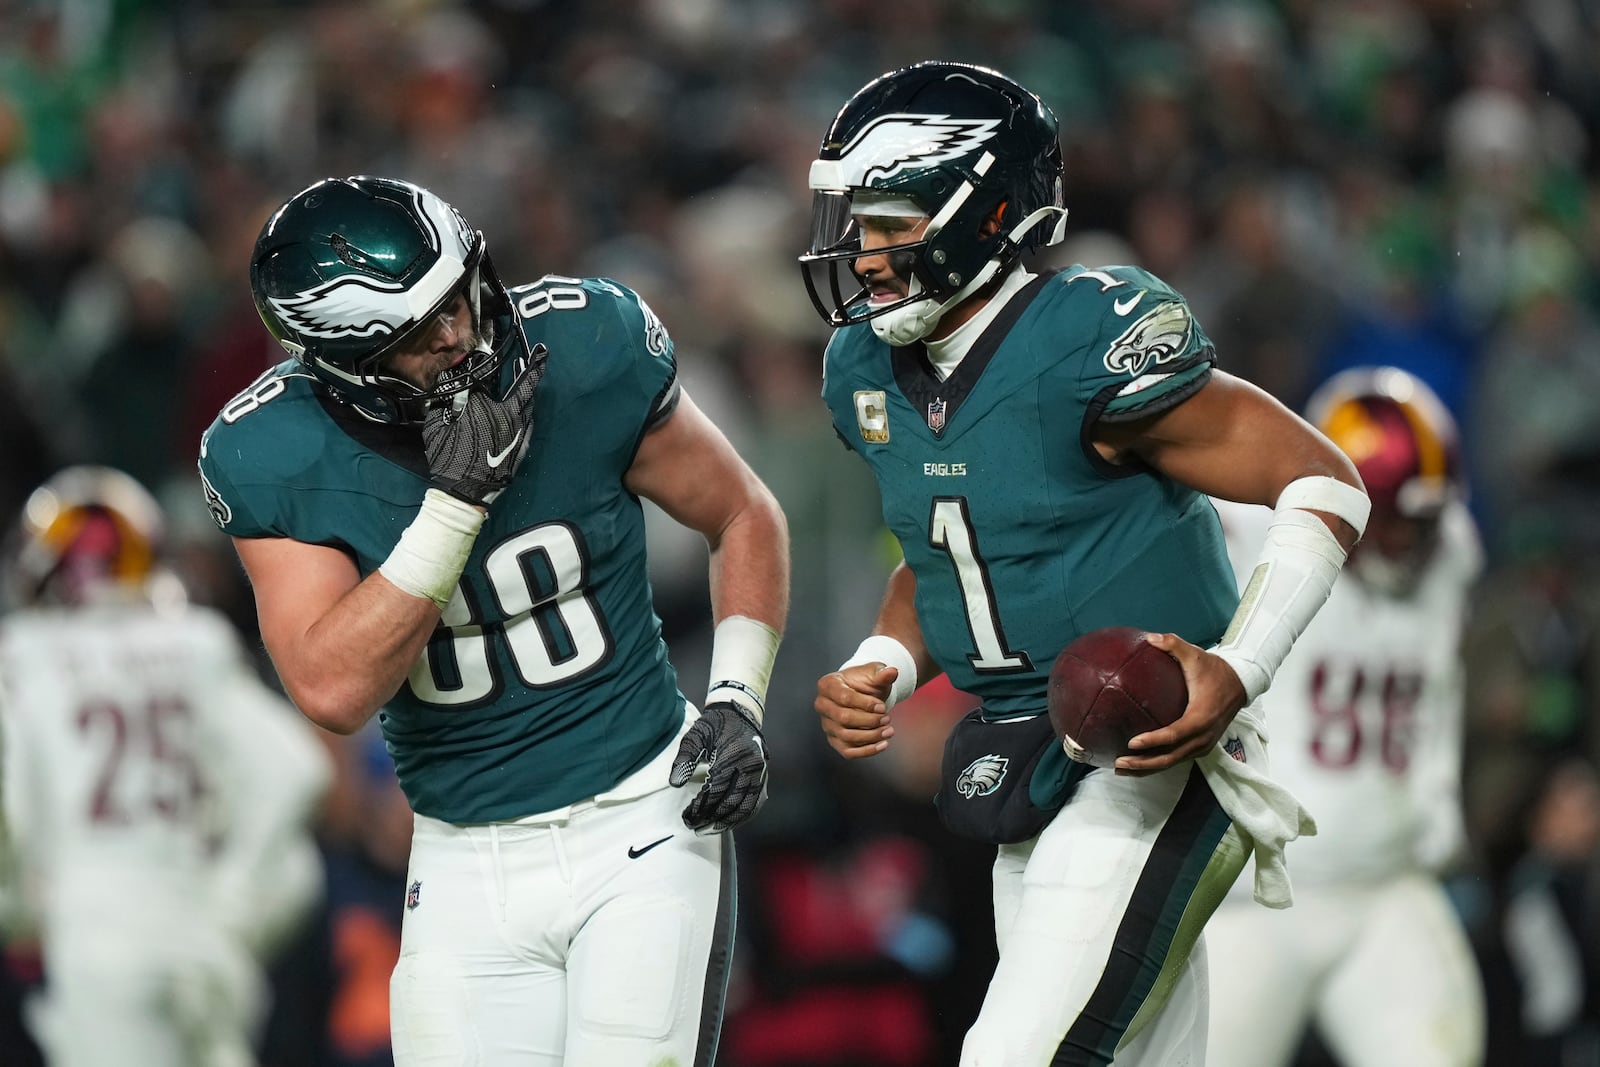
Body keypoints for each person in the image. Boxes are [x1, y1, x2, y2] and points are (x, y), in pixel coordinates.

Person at [798, 61, 1370, 1066]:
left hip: (1147, 760)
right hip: (1019, 762)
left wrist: (1239, 666)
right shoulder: (863, 370)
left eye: (890, 224)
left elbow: (1324, 483)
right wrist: (883, 662)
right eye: (860, 224)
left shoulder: (1082, 337)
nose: (865, 254)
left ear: (980, 213)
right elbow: (945, 555)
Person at [198, 174, 790, 1065]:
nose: (460, 331)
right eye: (419, 331)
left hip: (641, 816)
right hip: (462, 856)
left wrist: (738, 697)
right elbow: (332, 684)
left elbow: (743, 512)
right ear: (341, 366)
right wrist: (453, 503)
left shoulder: (589, 345)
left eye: (458, 293)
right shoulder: (271, 450)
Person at [0, 465, 332, 1067]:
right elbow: (296, 769)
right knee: (298, 870)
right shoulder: (196, 641)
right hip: (205, 933)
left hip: (101, 934)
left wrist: (19, 900)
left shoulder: (24, 654)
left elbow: (10, 810)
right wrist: (237, 900)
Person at [1205, 366, 1488, 1067]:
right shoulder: (1248, 533)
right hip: (1257, 895)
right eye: (1388, 520)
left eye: (1418, 522)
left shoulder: (1452, 549)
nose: (1405, 542)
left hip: (1391, 884)